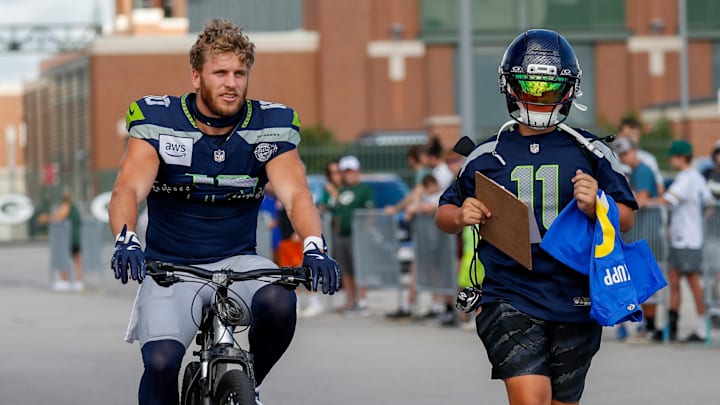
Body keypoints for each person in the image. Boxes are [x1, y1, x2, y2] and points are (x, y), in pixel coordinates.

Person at [107, 18, 339, 405]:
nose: (231, 83)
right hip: (171, 268)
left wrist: (314, 245)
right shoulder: (160, 120)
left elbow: (296, 193)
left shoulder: (269, 126)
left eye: (239, 73)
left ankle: (250, 382)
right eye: (220, 73)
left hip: (237, 262)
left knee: (282, 301)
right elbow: (128, 187)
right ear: (196, 76)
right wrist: (126, 238)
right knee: (162, 362)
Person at [435, 29, 637, 404]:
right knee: (531, 399)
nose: (540, 96)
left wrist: (599, 205)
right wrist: (462, 214)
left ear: (568, 90)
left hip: (575, 295)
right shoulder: (486, 155)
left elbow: (626, 218)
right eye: (530, 85)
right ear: (511, 85)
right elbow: (443, 214)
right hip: (509, 292)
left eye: (549, 87)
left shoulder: (591, 150)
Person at [648, 139, 715, 343]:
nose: (670, 160)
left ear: (681, 157)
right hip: (686, 237)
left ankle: (703, 328)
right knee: (675, 279)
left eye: (673, 157)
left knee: (693, 281)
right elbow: (710, 204)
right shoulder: (695, 177)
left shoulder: (687, 178)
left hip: (686, 239)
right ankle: (673, 326)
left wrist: (643, 202)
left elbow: (668, 200)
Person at [611, 136, 661, 341]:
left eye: (626, 153)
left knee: (643, 279)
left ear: (634, 150)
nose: (623, 157)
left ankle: (649, 326)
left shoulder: (643, 171)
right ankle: (629, 324)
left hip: (643, 234)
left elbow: (640, 201)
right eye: (620, 154)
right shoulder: (628, 172)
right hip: (633, 234)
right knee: (625, 280)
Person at [332, 155, 374, 314]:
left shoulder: (364, 190)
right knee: (346, 269)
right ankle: (350, 300)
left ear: (357, 171)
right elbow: (337, 212)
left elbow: (369, 213)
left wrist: (365, 232)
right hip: (342, 236)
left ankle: (362, 300)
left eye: (351, 171)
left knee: (359, 268)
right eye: (345, 171)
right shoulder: (341, 190)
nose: (348, 174)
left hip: (357, 236)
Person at [38, 192, 84, 291]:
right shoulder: (74, 208)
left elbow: (59, 217)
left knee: (64, 258)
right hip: (76, 237)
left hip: (69, 238)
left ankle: (65, 281)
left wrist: (46, 218)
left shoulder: (66, 206)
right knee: (77, 259)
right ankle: (79, 281)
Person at [617, 117, 665, 194]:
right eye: (628, 135)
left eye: (635, 135)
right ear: (620, 135)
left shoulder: (648, 159)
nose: (632, 139)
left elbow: (659, 188)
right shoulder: (611, 157)